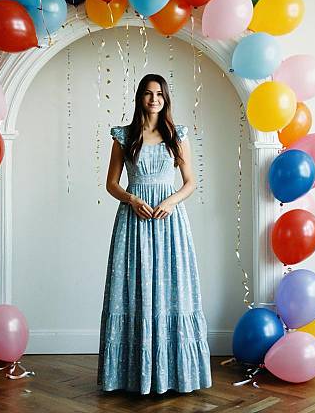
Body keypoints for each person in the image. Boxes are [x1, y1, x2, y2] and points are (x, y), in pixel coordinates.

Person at [96, 73, 212, 394]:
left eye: (159, 94)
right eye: (148, 94)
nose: (154, 99)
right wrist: (132, 199)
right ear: (139, 98)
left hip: (168, 222)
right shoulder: (123, 136)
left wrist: (171, 201)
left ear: (166, 98)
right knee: (134, 288)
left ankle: (174, 373)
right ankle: (130, 375)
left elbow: (190, 182)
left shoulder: (177, 134)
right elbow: (111, 183)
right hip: (133, 222)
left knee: (171, 288)